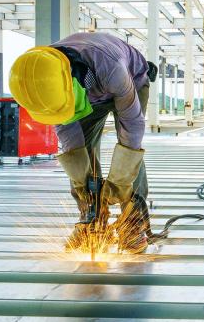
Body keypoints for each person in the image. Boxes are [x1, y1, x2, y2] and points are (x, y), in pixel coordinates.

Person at [8, 32, 157, 254]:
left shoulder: (110, 66)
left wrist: (118, 182)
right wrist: (83, 184)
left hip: (131, 83)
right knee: (82, 156)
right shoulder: (45, 86)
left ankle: (132, 223)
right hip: (84, 94)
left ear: (76, 82)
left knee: (129, 156)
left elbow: (131, 129)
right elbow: (72, 143)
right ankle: (92, 221)